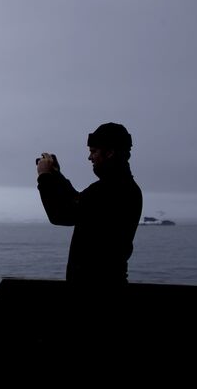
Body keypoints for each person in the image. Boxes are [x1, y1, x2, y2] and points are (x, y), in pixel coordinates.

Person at [36, 122, 143, 288]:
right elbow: (78, 203)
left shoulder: (108, 190)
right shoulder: (124, 188)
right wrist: (57, 176)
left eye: (93, 151)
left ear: (109, 153)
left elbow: (60, 215)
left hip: (94, 291)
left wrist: (44, 177)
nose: (89, 157)